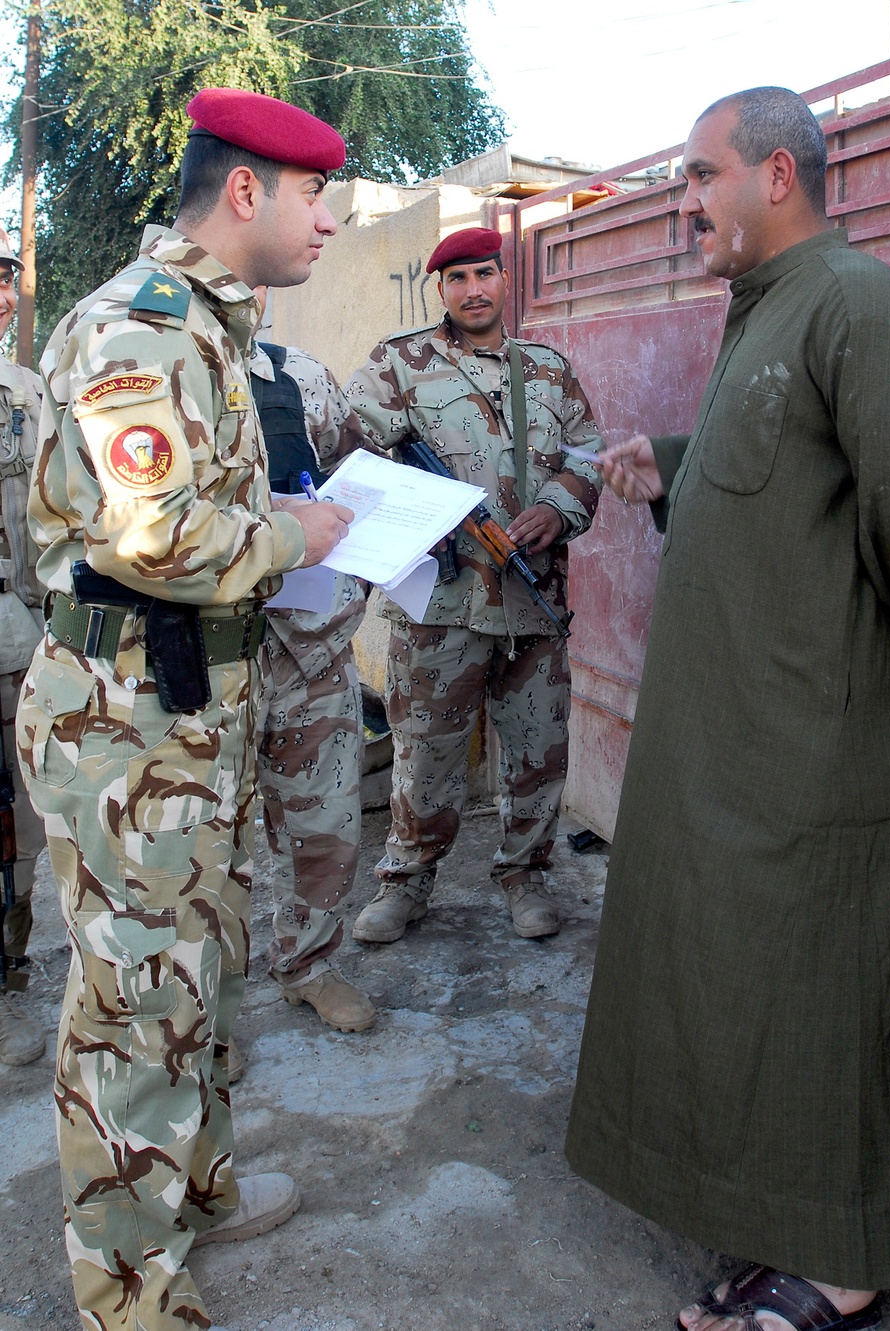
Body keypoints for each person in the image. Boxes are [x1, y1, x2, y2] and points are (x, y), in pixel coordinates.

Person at [564, 86, 890, 1331]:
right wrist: (675, 463)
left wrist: (859, 663)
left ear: (778, 176)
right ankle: (789, 1219)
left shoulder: (855, 300)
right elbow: (792, 465)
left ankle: (852, 1253)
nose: (682, 202)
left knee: (833, 977)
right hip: (742, 737)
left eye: (699, 176)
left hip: (818, 734)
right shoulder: (770, 308)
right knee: (762, 981)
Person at [15, 88, 353, 1331]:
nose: (332, 221)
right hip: (125, 716)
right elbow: (153, 535)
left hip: (189, 697)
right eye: (317, 195)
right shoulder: (141, 327)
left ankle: (190, 1189)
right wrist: (300, 531)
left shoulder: (211, 327)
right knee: (131, 1001)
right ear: (249, 191)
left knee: (196, 965)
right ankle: (128, 1292)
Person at [344, 226, 604, 944]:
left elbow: (589, 450)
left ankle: (526, 874)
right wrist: (413, 513)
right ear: (441, 290)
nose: (473, 289)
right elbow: (347, 448)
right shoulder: (401, 365)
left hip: (533, 598)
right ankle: (406, 881)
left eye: (484, 273)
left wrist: (559, 506)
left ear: (504, 278)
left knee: (537, 748)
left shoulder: (549, 370)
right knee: (424, 751)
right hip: (440, 603)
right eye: (456, 278)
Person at [250, 311, 375, 1032]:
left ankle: (307, 962)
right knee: (210, 839)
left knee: (324, 815)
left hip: (310, 640)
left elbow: (351, 472)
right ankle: (203, 1010)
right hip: (203, 654)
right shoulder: (148, 363)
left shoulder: (296, 373)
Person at [0, 228, 47, 1066]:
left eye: (6, 280)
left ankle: (11, 976)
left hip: (20, 632)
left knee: (21, 822)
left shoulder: (24, 389)